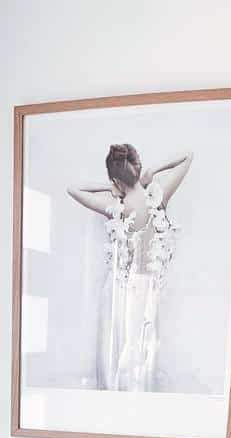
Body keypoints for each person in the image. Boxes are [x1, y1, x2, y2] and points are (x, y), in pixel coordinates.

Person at [67, 144, 192, 391]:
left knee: (114, 359)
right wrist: (153, 172)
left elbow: (72, 189)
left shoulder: (116, 208)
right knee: (141, 358)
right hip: (147, 290)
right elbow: (188, 156)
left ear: (115, 178)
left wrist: (109, 187)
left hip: (119, 290)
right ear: (138, 167)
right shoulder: (158, 195)